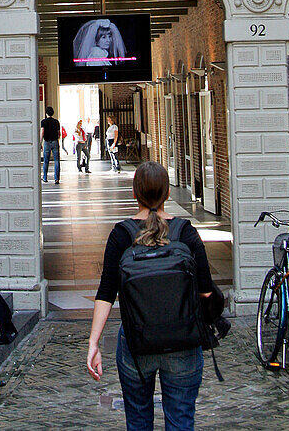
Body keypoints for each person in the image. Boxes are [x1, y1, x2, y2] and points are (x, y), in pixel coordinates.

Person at [87, 161, 213, 431]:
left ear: (135, 194)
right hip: (183, 343)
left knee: (138, 421)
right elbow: (206, 291)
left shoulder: (121, 235)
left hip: (136, 343)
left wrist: (94, 343)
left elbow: (106, 293)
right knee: (181, 421)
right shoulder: (186, 233)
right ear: (168, 193)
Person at [40, 106, 61, 184]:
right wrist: (57, 139)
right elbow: (59, 133)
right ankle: (57, 178)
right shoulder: (56, 122)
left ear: (46, 113)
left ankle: (45, 177)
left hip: (47, 142)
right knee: (56, 160)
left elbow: (42, 132)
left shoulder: (43, 122)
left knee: (46, 161)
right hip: (55, 141)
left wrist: (40, 143)